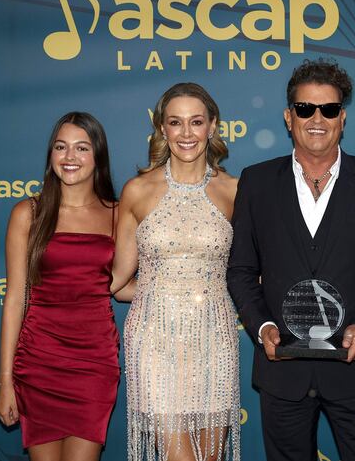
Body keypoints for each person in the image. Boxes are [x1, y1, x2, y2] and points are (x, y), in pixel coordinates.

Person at [227, 59, 355, 461]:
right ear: (288, 116)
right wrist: (262, 327)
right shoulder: (256, 182)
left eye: (329, 109)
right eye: (305, 108)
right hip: (283, 372)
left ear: (342, 118)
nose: (317, 118)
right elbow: (241, 271)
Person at [110, 83, 240, 461]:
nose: (186, 133)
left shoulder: (235, 190)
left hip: (213, 337)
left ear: (212, 126)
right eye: (175, 123)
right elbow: (118, 282)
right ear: (161, 129)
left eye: (196, 122)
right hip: (155, 341)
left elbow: (249, 272)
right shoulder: (137, 190)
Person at [0, 112, 130, 461]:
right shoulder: (28, 213)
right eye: (61, 147)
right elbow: (15, 299)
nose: (70, 157)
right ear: (51, 155)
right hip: (38, 361)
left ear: (97, 156)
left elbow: (122, 285)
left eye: (81, 148)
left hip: (94, 363)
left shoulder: (119, 214)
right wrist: (6, 381)